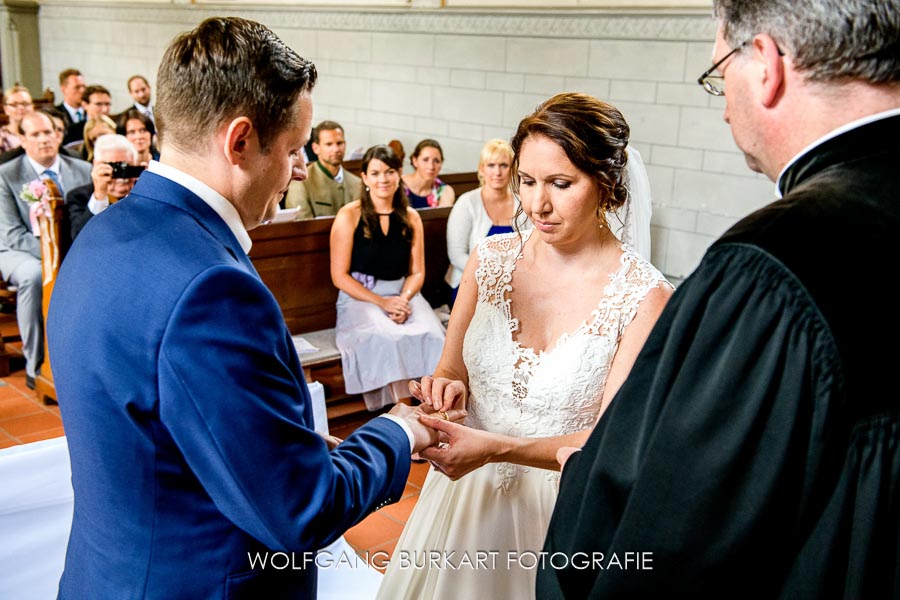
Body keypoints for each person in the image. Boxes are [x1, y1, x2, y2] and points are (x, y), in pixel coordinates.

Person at [48, 17, 459, 599]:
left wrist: (298, 446)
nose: (298, 168)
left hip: (108, 572)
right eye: (293, 149)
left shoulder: (102, 233)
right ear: (239, 141)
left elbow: (167, 423)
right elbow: (301, 511)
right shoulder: (211, 289)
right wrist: (397, 430)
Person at [538, 1, 900, 598]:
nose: (724, 102)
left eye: (719, 70)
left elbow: (671, 542)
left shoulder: (775, 266)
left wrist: (583, 484)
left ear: (766, 64)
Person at [376, 93, 672, 600]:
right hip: (463, 503)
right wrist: (445, 390)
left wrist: (497, 449)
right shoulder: (489, 259)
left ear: (607, 186)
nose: (538, 204)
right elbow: (451, 368)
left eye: (560, 184)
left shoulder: (644, 296)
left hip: (557, 517)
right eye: (528, 181)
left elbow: (607, 448)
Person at [330, 144, 446, 412]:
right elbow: (339, 275)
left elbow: (417, 272)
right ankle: (404, 413)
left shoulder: (411, 217)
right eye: (376, 173)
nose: (383, 179)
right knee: (388, 336)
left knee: (433, 334)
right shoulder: (349, 215)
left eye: (390, 172)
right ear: (365, 177)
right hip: (360, 295)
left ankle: (435, 407)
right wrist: (383, 303)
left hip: (403, 292)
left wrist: (403, 299)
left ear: (399, 174)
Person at [0, 111, 91, 390]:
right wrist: (55, 256)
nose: (43, 139)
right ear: (23, 140)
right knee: (35, 276)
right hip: (18, 250)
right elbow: (11, 233)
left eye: (48, 132)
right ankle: (35, 362)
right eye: (35, 134)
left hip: (73, 248)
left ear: (58, 134)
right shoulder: (6, 174)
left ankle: (84, 359)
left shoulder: (82, 169)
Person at [444, 138, 530, 304]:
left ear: (513, 169)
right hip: (470, 283)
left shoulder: (523, 203)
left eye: (504, 165)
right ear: (481, 169)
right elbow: (456, 255)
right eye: (491, 165)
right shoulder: (467, 202)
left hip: (515, 283)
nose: (497, 172)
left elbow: (532, 247)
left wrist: (511, 278)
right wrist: (492, 277)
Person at [65, 134, 141, 241]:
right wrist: (99, 196)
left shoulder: (141, 192)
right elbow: (79, 238)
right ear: (96, 165)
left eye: (125, 166)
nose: (119, 175)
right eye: (113, 167)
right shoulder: (79, 196)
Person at [284, 120, 362, 218]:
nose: (336, 149)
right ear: (316, 148)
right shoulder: (301, 182)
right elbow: (301, 225)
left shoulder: (357, 184)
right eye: (329, 144)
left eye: (339, 143)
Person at [401, 138, 455, 208]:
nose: (431, 166)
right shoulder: (399, 185)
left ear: (441, 164)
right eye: (425, 160)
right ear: (415, 161)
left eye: (436, 161)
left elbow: (443, 218)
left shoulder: (445, 191)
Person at [52, 68, 86, 143]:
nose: (82, 91)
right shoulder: (54, 114)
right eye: (77, 87)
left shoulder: (90, 113)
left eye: (84, 86)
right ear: (63, 89)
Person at [1, 85, 33, 153]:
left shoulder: (42, 133)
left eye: (25, 104)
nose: (21, 108)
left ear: (32, 107)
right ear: (6, 109)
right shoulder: (2, 137)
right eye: (14, 105)